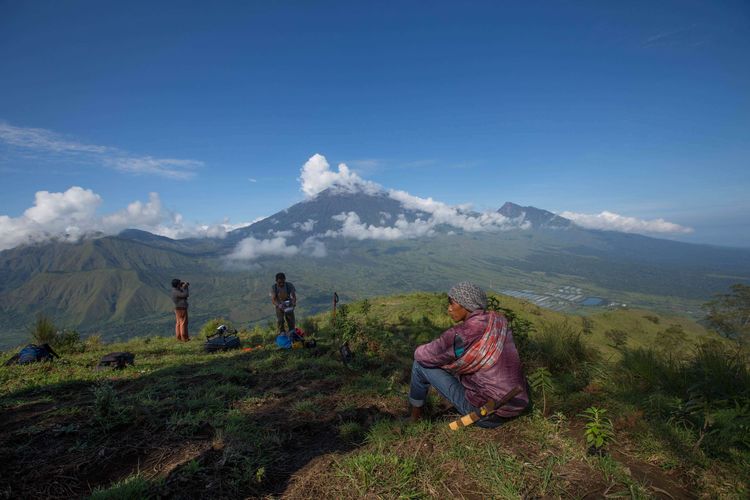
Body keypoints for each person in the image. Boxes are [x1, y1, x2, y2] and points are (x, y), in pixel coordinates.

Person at [408, 282, 529, 428]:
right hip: (515, 404)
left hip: (487, 414)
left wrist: (435, 352)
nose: (449, 309)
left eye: (452, 304)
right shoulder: (498, 320)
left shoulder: (461, 335)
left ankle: (414, 420)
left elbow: (422, 356)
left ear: (466, 305)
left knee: (419, 365)